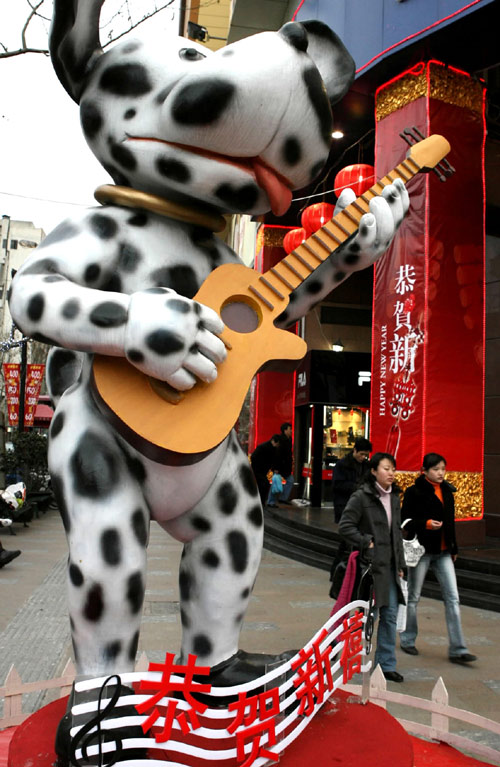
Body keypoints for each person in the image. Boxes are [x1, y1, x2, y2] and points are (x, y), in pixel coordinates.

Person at [399, 453, 477, 665]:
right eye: (436, 469)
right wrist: (425, 524)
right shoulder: (414, 491)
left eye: (443, 468)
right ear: (424, 471)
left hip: (443, 552)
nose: (440, 473)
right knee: (413, 597)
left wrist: (453, 546)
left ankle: (458, 649)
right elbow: (405, 520)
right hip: (422, 550)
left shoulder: (448, 491)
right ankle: (407, 639)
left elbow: (450, 523)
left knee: (453, 598)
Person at [339, 452, 406, 683]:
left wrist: (401, 564)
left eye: (393, 469)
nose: (391, 473)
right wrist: (366, 541)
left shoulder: (395, 497)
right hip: (370, 568)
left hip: (390, 567)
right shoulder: (362, 496)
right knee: (368, 617)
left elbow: (396, 532)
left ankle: (386, 665)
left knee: (390, 616)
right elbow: (345, 526)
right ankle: (354, 660)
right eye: (386, 468)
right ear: (374, 471)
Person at [332, 438, 372, 523]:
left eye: (366, 455)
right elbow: (337, 484)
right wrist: (357, 487)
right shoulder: (342, 465)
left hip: (361, 504)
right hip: (344, 504)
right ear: (355, 450)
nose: (363, 457)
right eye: (361, 454)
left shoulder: (367, 466)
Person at [250, 435, 281, 506]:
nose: (277, 445)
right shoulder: (263, 447)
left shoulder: (273, 448)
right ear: (273, 441)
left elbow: (273, 460)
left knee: (262, 485)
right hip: (258, 470)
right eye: (277, 443)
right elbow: (253, 457)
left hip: (263, 470)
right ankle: (260, 502)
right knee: (264, 484)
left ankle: (260, 502)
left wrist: (274, 469)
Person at [274, 422, 294, 504]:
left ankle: (281, 499)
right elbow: (278, 454)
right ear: (285, 430)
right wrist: (276, 467)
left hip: (285, 466)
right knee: (277, 483)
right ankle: (276, 500)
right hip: (281, 466)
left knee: (289, 481)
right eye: (290, 429)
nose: (291, 431)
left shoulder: (289, 439)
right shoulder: (281, 440)